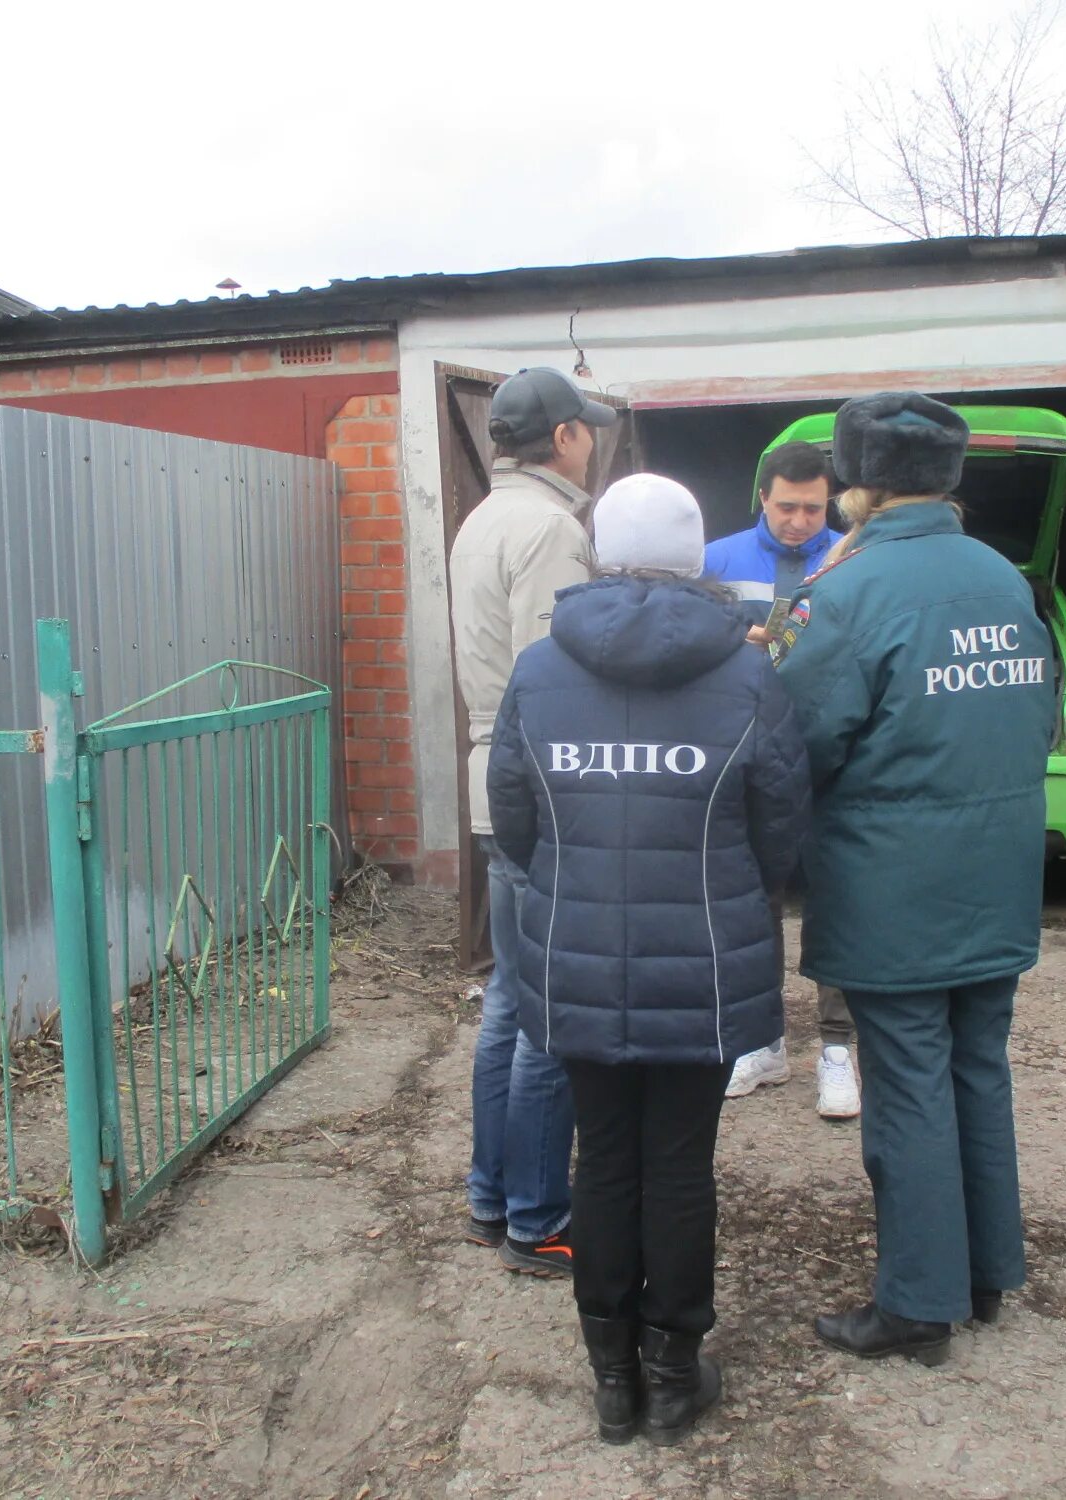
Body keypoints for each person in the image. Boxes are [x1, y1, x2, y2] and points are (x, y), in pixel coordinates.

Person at [487, 473, 810, 1445]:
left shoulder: (540, 673)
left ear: (599, 551)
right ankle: (673, 1373)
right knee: (678, 1165)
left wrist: (572, 881)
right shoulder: (747, 675)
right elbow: (783, 829)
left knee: (601, 1159)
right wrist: (726, 890)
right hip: (702, 967)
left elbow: (512, 820)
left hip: (577, 958)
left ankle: (610, 1379)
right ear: (693, 556)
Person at [771, 392, 1057, 1367]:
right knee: (977, 1066)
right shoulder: (1002, 580)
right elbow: (1041, 713)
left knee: (905, 1088)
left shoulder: (845, 594)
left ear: (857, 487)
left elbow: (798, 738)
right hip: (998, 867)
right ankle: (982, 1275)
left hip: (892, 883)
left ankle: (914, 1304)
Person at [449, 366, 616, 1277]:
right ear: (563, 438)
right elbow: (552, 682)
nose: (592, 440)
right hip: (537, 788)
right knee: (548, 1016)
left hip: (490, 779)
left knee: (511, 1004)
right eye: (585, 428)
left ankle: (490, 1195)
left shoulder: (483, 517)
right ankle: (538, 1219)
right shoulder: (552, 527)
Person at [700, 440, 859, 1118]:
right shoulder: (718, 559)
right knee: (751, 902)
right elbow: (689, 643)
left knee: (835, 899)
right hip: (743, 755)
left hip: (827, 752)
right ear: (762, 497)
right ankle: (761, 1042)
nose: (799, 521)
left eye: (813, 508)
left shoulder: (850, 559)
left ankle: (838, 1049)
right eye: (787, 507)